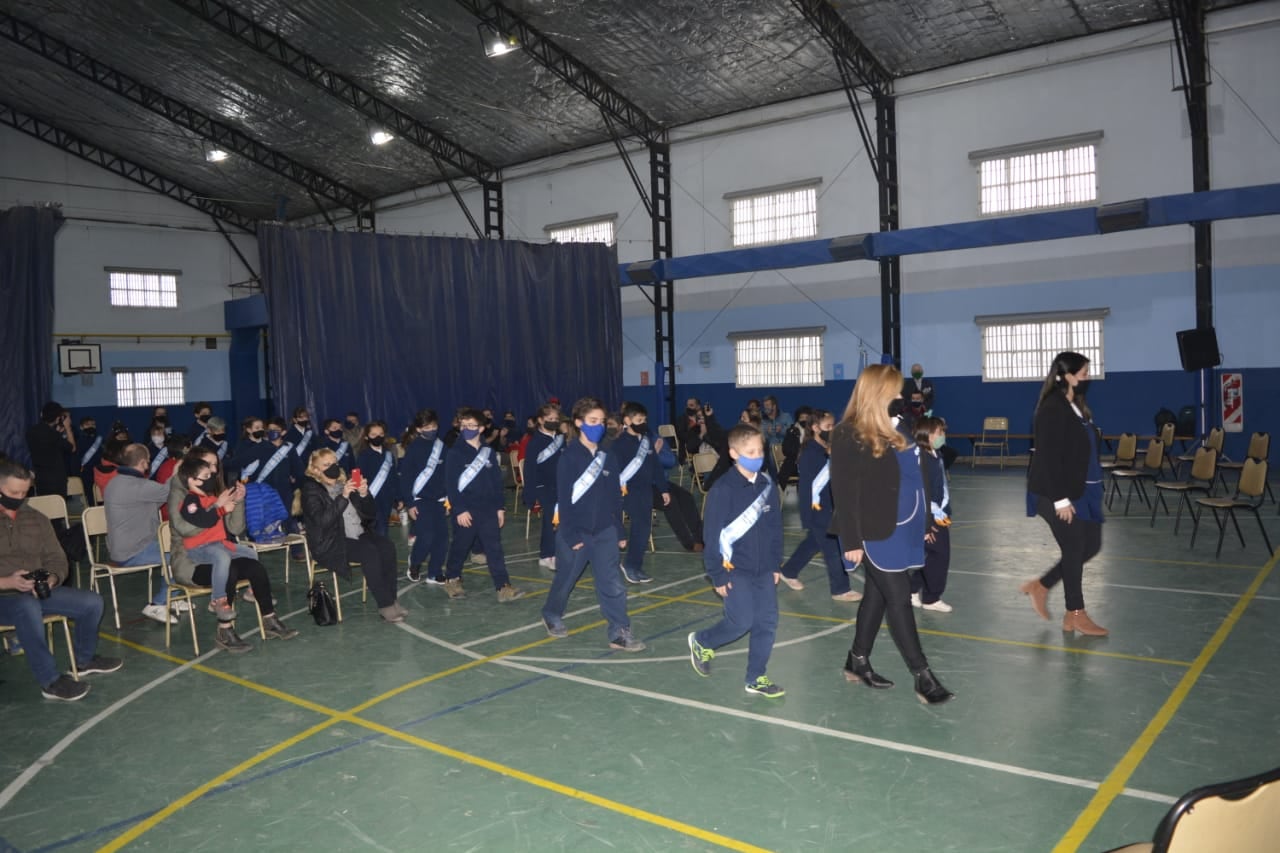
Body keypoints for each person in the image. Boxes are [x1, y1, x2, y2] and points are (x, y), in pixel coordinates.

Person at [829, 363, 954, 705]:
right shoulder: (847, 433)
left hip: (907, 525)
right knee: (898, 596)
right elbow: (843, 490)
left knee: (878, 595)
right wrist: (850, 541)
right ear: (878, 393)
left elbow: (920, 475)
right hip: (874, 530)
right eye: (895, 391)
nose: (900, 397)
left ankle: (857, 660)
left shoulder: (902, 428)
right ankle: (922, 676)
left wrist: (926, 519)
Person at [0, 459, 122, 700]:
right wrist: (8, 582)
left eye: (25, 492)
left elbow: (57, 558)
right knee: (27, 607)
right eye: (14, 493)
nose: (20, 497)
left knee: (92, 602)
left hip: (36, 591)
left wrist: (53, 577)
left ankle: (84, 661)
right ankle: (50, 682)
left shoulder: (36, 518)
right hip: (6, 596)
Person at [540, 397, 645, 652]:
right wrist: (571, 533)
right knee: (566, 579)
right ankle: (552, 613)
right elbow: (564, 500)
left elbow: (614, 498)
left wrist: (619, 530)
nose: (598, 426)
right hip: (575, 532)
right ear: (578, 423)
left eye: (601, 422)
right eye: (592, 421)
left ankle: (619, 631)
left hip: (605, 532)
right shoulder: (569, 458)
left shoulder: (607, 457)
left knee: (612, 583)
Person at [688, 423, 785, 697]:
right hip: (734, 569)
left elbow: (775, 529)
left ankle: (757, 677)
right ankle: (702, 641)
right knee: (741, 621)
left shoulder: (767, 484)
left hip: (764, 569)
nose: (757, 455)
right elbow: (712, 535)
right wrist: (717, 574)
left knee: (767, 622)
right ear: (733, 453)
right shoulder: (723, 489)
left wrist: (775, 564)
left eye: (760, 450)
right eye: (750, 451)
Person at [168, 450, 298, 652]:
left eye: (215, 466)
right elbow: (184, 529)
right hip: (190, 559)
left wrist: (237, 500)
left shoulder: (212, 488)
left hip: (219, 548)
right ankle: (224, 630)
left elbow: (235, 529)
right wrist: (218, 508)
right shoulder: (182, 493)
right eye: (208, 465)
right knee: (229, 568)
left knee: (254, 566)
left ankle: (269, 619)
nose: (213, 470)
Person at [1020, 351, 1108, 637]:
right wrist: (1060, 500)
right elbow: (1047, 457)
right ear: (1068, 376)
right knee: (1073, 548)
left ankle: (1041, 586)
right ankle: (1076, 613)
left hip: (1081, 488)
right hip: (1054, 491)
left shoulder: (1076, 406)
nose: (1088, 378)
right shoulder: (1051, 408)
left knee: (1091, 546)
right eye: (1083, 374)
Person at [301, 448, 408, 622]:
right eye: (326, 464)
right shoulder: (311, 490)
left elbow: (370, 514)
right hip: (330, 542)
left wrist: (364, 494)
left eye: (334, 463)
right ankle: (385, 605)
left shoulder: (344, 484)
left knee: (387, 546)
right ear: (315, 469)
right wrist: (343, 497)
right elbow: (323, 521)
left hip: (357, 534)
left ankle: (392, 599)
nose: (332, 467)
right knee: (369, 551)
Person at [441, 408, 524, 602]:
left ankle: (503, 586)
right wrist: (459, 509)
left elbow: (496, 482)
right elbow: (451, 485)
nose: (467, 429)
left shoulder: (488, 452)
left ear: (481, 428)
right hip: (466, 510)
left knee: (494, 548)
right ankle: (452, 578)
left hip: (488, 509)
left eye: (471, 426)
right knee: (460, 546)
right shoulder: (455, 453)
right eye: (464, 426)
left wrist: (500, 507)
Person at [780, 410, 862, 602]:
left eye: (833, 425)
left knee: (814, 542)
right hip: (818, 509)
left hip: (831, 505)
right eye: (828, 427)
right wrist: (808, 515)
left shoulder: (828, 448)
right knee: (832, 547)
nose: (832, 430)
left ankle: (789, 571)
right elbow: (809, 487)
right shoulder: (810, 453)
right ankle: (840, 589)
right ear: (815, 428)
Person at [104, 443, 186, 624]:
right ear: (143, 463)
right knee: (181, 554)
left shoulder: (115, 482)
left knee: (176, 548)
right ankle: (159, 603)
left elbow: (148, 504)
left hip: (123, 548)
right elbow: (168, 492)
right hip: (133, 551)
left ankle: (174, 596)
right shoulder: (138, 485)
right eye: (148, 461)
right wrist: (177, 471)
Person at [615, 402, 670, 584]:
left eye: (644, 420)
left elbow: (656, 466)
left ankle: (635, 565)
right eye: (639, 420)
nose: (643, 423)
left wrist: (663, 489)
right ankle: (630, 565)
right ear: (627, 421)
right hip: (628, 491)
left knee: (644, 529)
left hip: (646, 490)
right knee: (639, 527)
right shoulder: (619, 444)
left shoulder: (646, 441)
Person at [910, 417, 954, 613]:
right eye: (939, 432)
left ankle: (911, 589)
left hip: (940, 512)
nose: (942, 436)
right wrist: (935, 512)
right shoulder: (920, 457)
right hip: (928, 514)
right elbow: (919, 490)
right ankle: (931, 598)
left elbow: (940, 485)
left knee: (930, 556)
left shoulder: (935, 454)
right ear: (927, 434)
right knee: (940, 555)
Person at [399, 410, 449, 585]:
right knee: (426, 536)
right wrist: (410, 503)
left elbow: (447, 474)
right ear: (419, 429)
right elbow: (406, 478)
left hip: (440, 500)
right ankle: (415, 563)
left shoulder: (442, 447)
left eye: (434, 426)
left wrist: (448, 497)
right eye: (427, 427)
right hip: (420, 500)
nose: (431, 429)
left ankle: (434, 572)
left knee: (442, 538)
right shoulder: (413, 448)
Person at [522, 404, 564, 570]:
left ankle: (552, 553)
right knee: (551, 521)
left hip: (560, 486)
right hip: (543, 487)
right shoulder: (535, 442)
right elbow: (530, 469)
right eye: (550, 419)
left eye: (556, 419)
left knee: (560, 520)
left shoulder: (560, 439)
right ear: (540, 420)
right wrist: (531, 494)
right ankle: (548, 555)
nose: (554, 422)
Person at [353, 421, 399, 536]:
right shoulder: (363, 455)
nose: (378, 437)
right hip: (371, 500)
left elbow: (394, 477)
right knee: (378, 531)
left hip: (387, 499)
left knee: (384, 529)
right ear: (367, 437)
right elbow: (356, 477)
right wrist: (361, 497)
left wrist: (399, 497)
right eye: (373, 435)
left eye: (381, 434)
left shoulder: (389, 454)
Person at [26, 401, 75, 498]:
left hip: (41, 479)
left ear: (42, 414)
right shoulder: (53, 435)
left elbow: (47, 445)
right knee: (58, 510)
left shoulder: (31, 432)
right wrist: (68, 427)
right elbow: (72, 448)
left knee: (45, 509)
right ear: (57, 419)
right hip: (56, 481)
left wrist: (56, 432)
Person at [75, 415, 104, 500]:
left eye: (93, 424)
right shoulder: (78, 441)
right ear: (81, 427)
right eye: (87, 424)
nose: (91, 426)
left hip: (99, 471)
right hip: (86, 472)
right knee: (89, 494)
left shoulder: (100, 440)